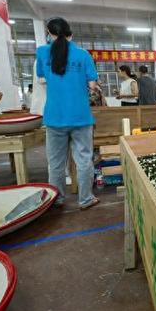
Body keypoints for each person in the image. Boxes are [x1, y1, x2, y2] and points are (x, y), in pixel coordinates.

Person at [36, 17, 99, 210]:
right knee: (84, 160)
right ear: (70, 33)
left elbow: (42, 79)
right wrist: (89, 89)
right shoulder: (83, 55)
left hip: (55, 116)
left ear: (49, 33)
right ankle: (86, 199)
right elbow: (92, 86)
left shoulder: (42, 52)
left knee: (56, 163)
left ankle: (58, 199)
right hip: (80, 116)